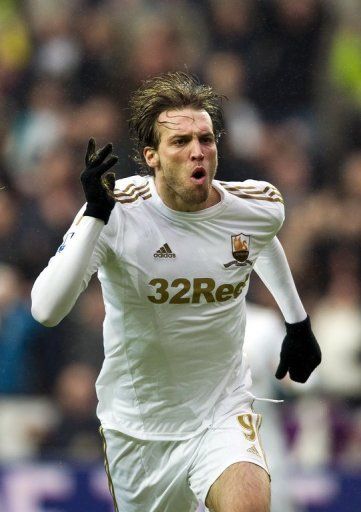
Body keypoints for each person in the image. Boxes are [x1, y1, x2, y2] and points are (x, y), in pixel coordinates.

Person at [31, 72, 321, 512]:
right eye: (180, 141)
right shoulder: (117, 211)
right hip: (139, 429)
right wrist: (93, 216)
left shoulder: (258, 205)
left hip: (222, 412)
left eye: (205, 138)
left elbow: (258, 240)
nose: (197, 150)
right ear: (152, 157)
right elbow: (46, 310)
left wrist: (297, 323)